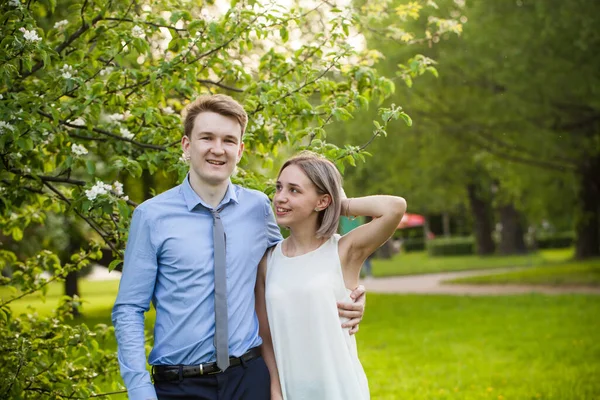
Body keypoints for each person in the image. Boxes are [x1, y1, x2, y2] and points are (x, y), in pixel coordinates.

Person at [111, 94, 366, 400]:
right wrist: (140, 391)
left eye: (229, 140)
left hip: (249, 379)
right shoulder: (151, 217)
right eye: (207, 137)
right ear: (186, 145)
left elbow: (292, 265)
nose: (218, 149)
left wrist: (345, 292)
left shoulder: (258, 208)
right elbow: (128, 309)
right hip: (180, 385)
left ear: (240, 150)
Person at [255, 152, 406, 400]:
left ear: (321, 201)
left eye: (294, 190)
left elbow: (394, 207)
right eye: (279, 187)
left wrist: (340, 204)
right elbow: (266, 336)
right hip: (291, 392)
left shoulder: (344, 251)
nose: (280, 198)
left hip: (341, 390)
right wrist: (275, 388)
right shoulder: (268, 261)